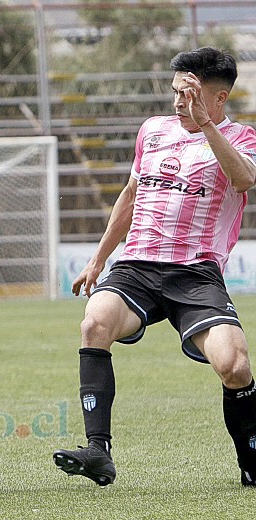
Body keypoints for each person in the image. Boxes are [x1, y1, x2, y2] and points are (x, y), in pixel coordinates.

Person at [52, 47, 256, 488]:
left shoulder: (241, 136)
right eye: (175, 92)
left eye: (189, 93)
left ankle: (251, 461)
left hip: (196, 273)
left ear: (218, 98)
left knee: (235, 365)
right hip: (137, 267)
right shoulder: (153, 130)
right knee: (94, 324)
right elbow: (130, 194)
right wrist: (98, 258)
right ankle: (97, 450)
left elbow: (243, 180)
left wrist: (205, 126)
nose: (178, 101)